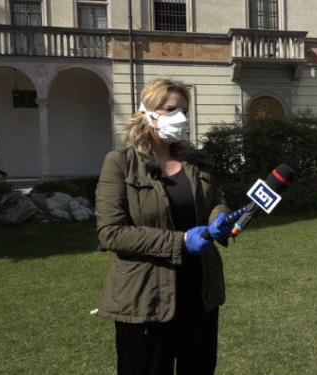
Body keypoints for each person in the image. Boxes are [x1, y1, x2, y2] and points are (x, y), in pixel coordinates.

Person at [95, 79, 233, 375]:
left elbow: (216, 201)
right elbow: (111, 232)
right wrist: (180, 241)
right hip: (146, 298)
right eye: (171, 109)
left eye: (184, 110)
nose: (180, 117)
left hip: (199, 292)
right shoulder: (120, 163)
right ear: (147, 112)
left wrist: (218, 218)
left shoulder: (196, 162)